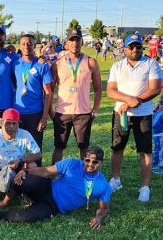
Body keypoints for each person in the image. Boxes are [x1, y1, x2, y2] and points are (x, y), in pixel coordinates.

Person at [0, 146, 111, 229]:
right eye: (87, 160)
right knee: (24, 179)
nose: (90, 164)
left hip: (53, 207)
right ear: (83, 159)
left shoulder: (103, 185)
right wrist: (25, 171)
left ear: (101, 163)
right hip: (47, 187)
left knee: (24, 217)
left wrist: (98, 217)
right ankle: (5, 202)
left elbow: (104, 208)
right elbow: (46, 171)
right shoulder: (72, 163)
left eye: (95, 162)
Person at [107, 33, 163, 201]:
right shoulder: (117, 66)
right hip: (121, 113)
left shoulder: (151, 63)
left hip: (143, 115)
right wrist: (128, 100)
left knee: (145, 151)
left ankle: (145, 187)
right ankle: (116, 179)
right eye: (131, 46)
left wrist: (133, 102)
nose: (134, 49)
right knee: (117, 147)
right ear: (124, 49)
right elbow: (110, 90)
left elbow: (154, 89)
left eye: (138, 46)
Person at [50, 28, 102, 164]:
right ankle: (54, 178)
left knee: (84, 148)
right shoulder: (58, 63)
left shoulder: (91, 62)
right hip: (62, 113)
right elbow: (49, 91)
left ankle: (85, 177)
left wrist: (95, 109)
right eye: (72, 40)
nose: (75, 43)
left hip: (83, 113)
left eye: (77, 40)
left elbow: (98, 89)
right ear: (66, 43)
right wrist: (51, 111)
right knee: (59, 147)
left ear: (82, 41)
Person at [12, 34, 53, 160]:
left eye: (30, 43)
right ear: (19, 46)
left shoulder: (42, 65)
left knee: (35, 150)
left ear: (35, 45)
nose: (26, 46)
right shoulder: (14, 64)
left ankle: (35, 178)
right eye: (23, 43)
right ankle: (18, 177)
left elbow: (48, 92)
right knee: (17, 148)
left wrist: (44, 117)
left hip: (35, 114)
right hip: (17, 114)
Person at [0, 108, 41, 176]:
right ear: (2, 123)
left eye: (14, 123)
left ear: (18, 124)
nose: (11, 126)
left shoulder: (25, 134)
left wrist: (20, 161)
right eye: (8, 123)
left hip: (18, 167)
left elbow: (38, 154)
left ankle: (27, 185)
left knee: (32, 165)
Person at [152, 96, 163, 174]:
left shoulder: (159, 113)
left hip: (160, 134)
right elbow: (154, 124)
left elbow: (154, 124)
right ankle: (157, 164)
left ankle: (159, 165)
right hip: (159, 134)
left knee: (160, 150)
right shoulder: (159, 112)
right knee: (158, 149)